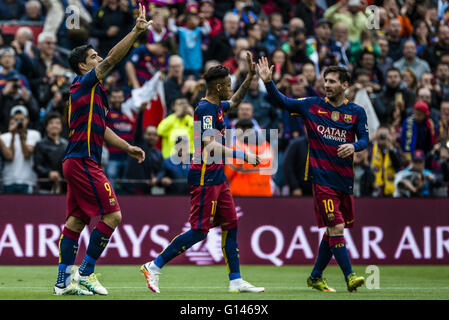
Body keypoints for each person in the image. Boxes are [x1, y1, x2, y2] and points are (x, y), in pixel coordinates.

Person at [141, 52, 264, 294]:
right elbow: (210, 144)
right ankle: (153, 266)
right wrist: (243, 155)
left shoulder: (217, 106)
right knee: (199, 231)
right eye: (228, 84)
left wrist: (249, 77)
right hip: (204, 176)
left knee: (231, 223)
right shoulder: (206, 109)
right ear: (218, 87)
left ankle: (236, 280)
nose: (231, 88)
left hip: (217, 175)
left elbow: (236, 102)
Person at [53, 4, 149, 296]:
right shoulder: (83, 83)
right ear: (83, 65)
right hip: (83, 160)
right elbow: (110, 61)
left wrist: (128, 146)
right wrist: (135, 31)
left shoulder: (94, 93)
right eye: (93, 57)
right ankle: (86, 273)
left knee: (77, 220)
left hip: (77, 159)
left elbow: (103, 130)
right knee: (113, 216)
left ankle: (62, 282)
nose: (99, 59)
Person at [258, 59, 368, 292]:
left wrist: (355, 147)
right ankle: (350, 276)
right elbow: (283, 101)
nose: (327, 84)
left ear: (345, 85)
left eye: (332, 81)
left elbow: (366, 140)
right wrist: (268, 82)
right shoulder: (311, 105)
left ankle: (315, 276)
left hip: (345, 181)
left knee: (332, 231)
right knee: (336, 228)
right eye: (325, 80)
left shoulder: (356, 112)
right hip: (322, 180)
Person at [0, 105, 41, 194]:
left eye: (21, 119)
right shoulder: (4, 137)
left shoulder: (34, 134)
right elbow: (9, 157)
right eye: (16, 119)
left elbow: (27, 154)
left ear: (27, 119)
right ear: (11, 120)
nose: (19, 122)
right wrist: (13, 135)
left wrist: (21, 134)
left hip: (28, 181)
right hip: (8, 180)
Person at [33, 112, 68, 194]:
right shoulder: (40, 144)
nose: (54, 125)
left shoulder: (66, 144)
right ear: (46, 126)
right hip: (45, 188)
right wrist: (49, 173)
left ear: (61, 127)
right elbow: (37, 166)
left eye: (57, 123)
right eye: (51, 123)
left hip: (64, 188)